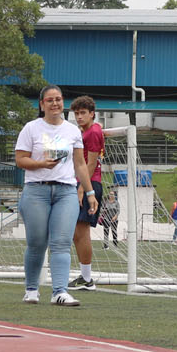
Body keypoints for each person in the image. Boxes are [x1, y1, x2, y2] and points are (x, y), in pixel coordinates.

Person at [15, 85, 96, 305]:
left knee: (61, 242)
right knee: (37, 242)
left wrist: (89, 192)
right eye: (49, 100)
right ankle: (31, 289)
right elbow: (20, 159)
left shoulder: (72, 131)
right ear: (42, 104)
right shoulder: (31, 128)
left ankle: (59, 291)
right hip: (36, 190)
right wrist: (41, 164)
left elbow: (80, 164)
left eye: (58, 99)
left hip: (66, 191)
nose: (55, 104)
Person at [68, 95, 105, 291]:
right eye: (77, 113)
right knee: (77, 233)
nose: (79, 117)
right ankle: (85, 276)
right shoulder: (86, 131)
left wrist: (83, 189)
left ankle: (87, 278)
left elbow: (90, 164)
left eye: (83, 113)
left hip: (89, 185)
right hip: (84, 184)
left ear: (92, 114)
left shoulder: (92, 132)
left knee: (81, 233)